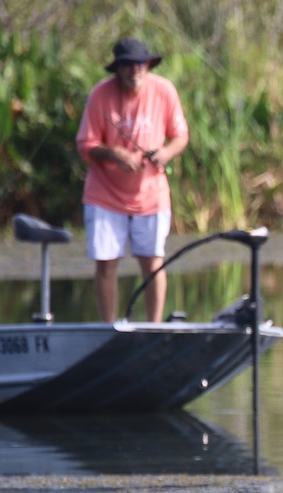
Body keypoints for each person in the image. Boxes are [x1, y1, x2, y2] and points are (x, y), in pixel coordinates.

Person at [76, 37, 189, 323]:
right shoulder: (100, 95)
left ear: (148, 64)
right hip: (105, 195)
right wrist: (114, 153)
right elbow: (85, 145)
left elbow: (180, 136)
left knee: (153, 263)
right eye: (127, 65)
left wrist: (164, 153)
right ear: (117, 68)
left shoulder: (164, 90)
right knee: (106, 264)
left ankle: (154, 327)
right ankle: (108, 328)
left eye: (140, 63)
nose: (134, 70)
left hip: (151, 195)